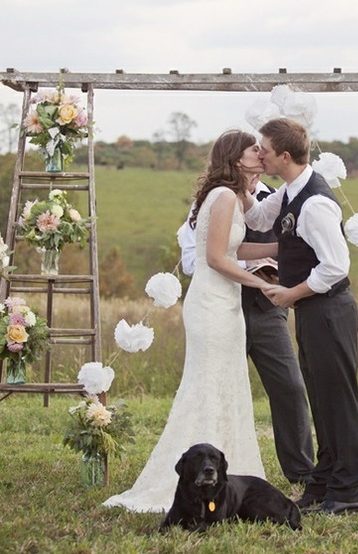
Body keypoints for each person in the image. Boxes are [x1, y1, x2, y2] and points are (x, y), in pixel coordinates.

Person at [104, 130, 278, 513]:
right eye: (254, 149)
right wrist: (260, 284)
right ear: (236, 157)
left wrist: (280, 248)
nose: (260, 153)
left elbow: (235, 247)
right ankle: (196, 474)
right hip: (212, 303)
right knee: (208, 385)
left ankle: (221, 474)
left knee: (226, 384)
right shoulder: (222, 196)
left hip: (225, 302)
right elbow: (216, 258)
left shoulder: (233, 196)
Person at [244, 118, 358, 516]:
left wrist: (289, 294)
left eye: (263, 148)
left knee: (338, 402)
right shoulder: (288, 192)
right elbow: (259, 220)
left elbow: (336, 266)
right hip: (313, 312)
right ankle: (324, 482)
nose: (258, 152)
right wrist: (241, 182)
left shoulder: (313, 203)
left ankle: (347, 492)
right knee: (320, 397)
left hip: (330, 311)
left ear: (283, 155)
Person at [178, 176, 315, 486]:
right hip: (223, 309)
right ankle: (206, 470)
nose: (257, 169)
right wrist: (246, 264)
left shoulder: (280, 202)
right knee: (217, 390)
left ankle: (302, 472)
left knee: (290, 387)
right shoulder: (210, 202)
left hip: (268, 311)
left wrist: (279, 268)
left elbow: (292, 251)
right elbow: (192, 260)